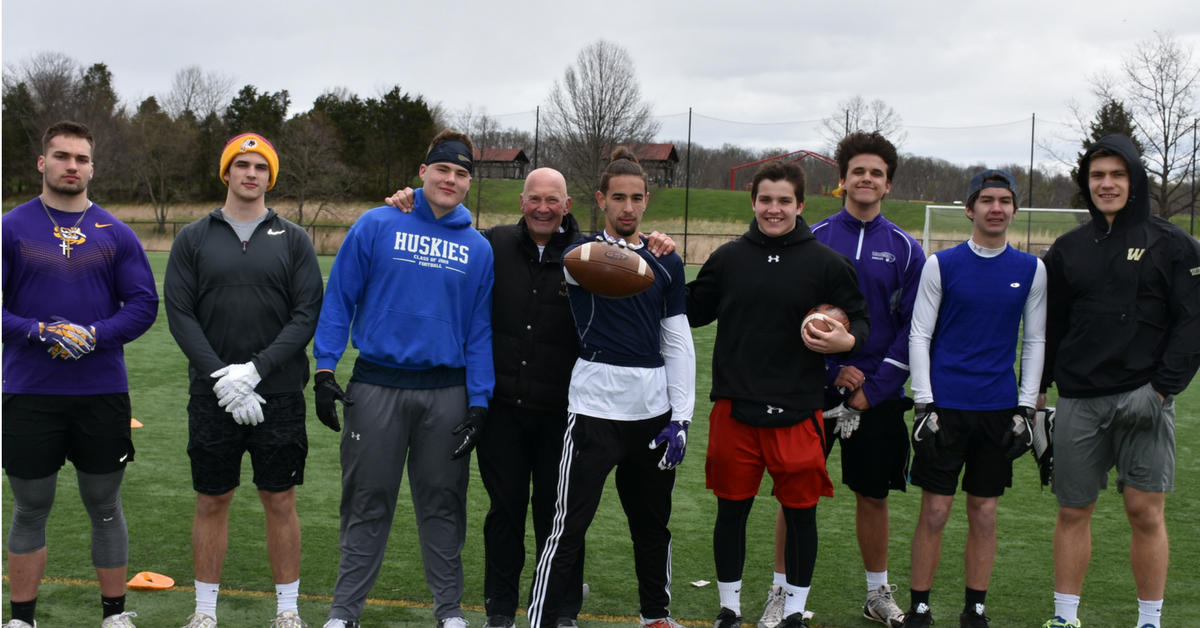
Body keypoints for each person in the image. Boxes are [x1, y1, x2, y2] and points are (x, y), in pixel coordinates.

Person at [384, 168, 676, 628]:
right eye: (535, 199)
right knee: (504, 510)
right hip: (503, 409)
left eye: (553, 200)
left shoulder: (590, 255)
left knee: (557, 516)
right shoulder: (493, 244)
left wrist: (656, 241)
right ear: (522, 201)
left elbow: (639, 254)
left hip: (565, 412)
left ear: (568, 204)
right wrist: (411, 201)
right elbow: (443, 227)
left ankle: (562, 612)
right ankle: (499, 611)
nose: (543, 208)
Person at [314, 130, 495, 628]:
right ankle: (344, 612)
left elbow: (480, 331)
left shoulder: (478, 248)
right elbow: (339, 300)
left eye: (461, 174)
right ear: (423, 172)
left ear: (468, 183)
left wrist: (479, 401)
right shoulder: (376, 224)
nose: (451, 179)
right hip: (376, 389)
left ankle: (450, 612)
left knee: (443, 505)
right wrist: (324, 368)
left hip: (446, 394)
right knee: (367, 501)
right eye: (443, 169)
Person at [686, 159, 869, 628]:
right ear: (753, 202)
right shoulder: (729, 257)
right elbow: (691, 309)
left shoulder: (827, 262)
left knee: (801, 517)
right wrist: (652, 266)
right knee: (731, 513)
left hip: (797, 411)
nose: (774, 209)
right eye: (765, 199)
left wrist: (847, 342)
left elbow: (860, 320)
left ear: (801, 204)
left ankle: (792, 612)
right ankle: (729, 608)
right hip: (736, 408)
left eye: (784, 200)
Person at [525, 148, 695, 628]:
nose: (627, 207)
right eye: (617, 197)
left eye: (635, 198)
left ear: (646, 201)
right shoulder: (577, 256)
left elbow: (678, 342)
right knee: (568, 526)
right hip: (593, 410)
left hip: (652, 415)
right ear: (600, 200)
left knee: (652, 527)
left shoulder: (666, 262)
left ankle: (656, 616)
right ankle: (541, 620)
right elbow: (551, 227)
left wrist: (681, 417)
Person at [1037, 134, 1200, 628]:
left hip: (1145, 397)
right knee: (1072, 511)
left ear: (1135, 180)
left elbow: (1191, 323)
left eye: (1117, 175)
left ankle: (1149, 621)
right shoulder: (1066, 250)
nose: (1106, 184)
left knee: (1145, 513)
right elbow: (1052, 327)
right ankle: (1066, 618)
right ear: (1087, 185)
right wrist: (1039, 391)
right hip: (1079, 402)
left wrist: (1161, 389)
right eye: (1097, 176)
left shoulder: (1173, 244)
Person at [164, 133, 325, 628]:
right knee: (212, 498)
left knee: (279, 498)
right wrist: (221, 377)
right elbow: (179, 312)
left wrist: (255, 371)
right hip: (211, 395)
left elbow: (305, 315)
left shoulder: (295, 238)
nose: (250, 173)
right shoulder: (193, 237)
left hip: (276, 393)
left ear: (269, 176)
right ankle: (205, 612)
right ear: (227, 173)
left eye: (260, 166)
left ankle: (287, 610)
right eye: (241, 165)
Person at [2, 120, 158, 628]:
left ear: (92, 166)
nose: (72, 166)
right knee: (30, 507)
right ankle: (22, 619)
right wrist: (40, 331)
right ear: (42, 163)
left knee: (105, 504)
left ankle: (114, 615)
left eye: (82, 158)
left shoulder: (116, 232)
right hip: (28, 390)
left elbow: (142, 305)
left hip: (101, 391)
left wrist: (94, 334)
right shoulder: (11, 228)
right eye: (62, 156)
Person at [779, 132, 922, 628]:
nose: (866, 179)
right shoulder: (812, 235)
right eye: (858, 170)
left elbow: (914, 328)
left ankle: (876, 593)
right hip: (812, 389)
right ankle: (783, 595)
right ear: (842, 180)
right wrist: (833, 369)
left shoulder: (907, 249)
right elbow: (791, 313)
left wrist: (874, 386)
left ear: (887, 184)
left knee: (873, 495)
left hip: (876, 395)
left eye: (876, 173)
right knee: (795, 493)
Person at [904, 169, 1046, 628]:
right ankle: (920, 607)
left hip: (999, 409)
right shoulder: (941, 264)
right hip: (945, 408)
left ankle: (974, 609)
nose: (996, 208)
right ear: (970, 209)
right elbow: (920, 334)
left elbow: (1035, 342)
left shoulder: (1031, 269)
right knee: (936, 509)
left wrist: (1026, 407)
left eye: (1005, 201)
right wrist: (923, 403)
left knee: (984, 512)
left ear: (1013, 210)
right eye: (987, 200)